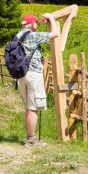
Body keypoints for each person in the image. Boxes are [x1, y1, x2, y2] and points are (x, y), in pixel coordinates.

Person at [17, 13, 60, 147]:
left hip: (21, 75)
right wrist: (52, 19)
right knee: (33, 107)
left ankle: (30, 136)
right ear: (32, 24)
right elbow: (55, 34)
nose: (37, 24)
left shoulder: (18, 36)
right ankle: (31, 140)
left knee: (28, 107)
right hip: (32, 74)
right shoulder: (32, 35)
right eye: (35, 22)